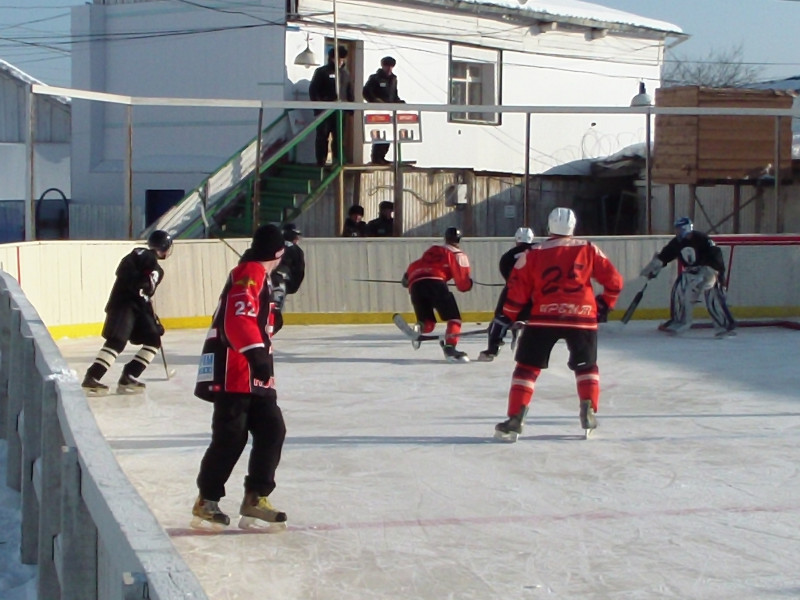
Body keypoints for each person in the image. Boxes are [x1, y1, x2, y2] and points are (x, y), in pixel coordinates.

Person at [493, 208, 623, 442]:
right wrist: (605, 303)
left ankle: (515, 417)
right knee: (586, 366)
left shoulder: (534, 252)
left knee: (526, 368)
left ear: (549, 227)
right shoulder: (588, 248)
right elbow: (615, 281)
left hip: (544, 316)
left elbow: (517, 287)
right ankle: (588, 409)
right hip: (582, 316)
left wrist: (509, 315)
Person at [192, 223, 288, 530]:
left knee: (272, 429)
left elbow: (254, 316)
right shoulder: (251, 271)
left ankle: (255, 497)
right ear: (279, 253)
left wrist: (272, 317)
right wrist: (255, 353)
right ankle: (207, 499)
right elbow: (238, 317)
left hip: (255, 375)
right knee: (231, 437)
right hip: (235, 370)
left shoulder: (262, 277)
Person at [81, 230, 173, 396]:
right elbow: (125, 273)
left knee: (153, 339)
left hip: (138, 308)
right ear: (165, 247)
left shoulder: (157, 270)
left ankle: (129, 375)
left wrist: (153, 320)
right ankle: (92, 377)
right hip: (123, 304)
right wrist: (137, 281)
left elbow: (145, 296)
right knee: (117, 341)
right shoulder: (143, 255)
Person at [640, 216, 736, 336]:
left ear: (686, 228)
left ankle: (724, 325)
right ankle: (679, 321)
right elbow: (666, 255)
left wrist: (717, 272)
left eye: (679, 229)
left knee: (714, 298)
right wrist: (655, 266)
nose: (676, 232)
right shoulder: (677, 242)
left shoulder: (702, 239)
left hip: (709, 271)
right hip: (691, 272)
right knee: (680, 291)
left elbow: (716, 254)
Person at [402, 227, 474, 363]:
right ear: (459, 240)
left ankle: (420, 327)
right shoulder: (457, 254)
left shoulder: (429, 254)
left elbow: (406, 279)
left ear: (445, 238)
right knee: (454, 319)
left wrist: (410, 277)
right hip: (436, 284)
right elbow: (462, 285)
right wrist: (469, 284)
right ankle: (450, 348)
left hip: (416, 286)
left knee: (428, 324)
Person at [477, 227, 537, 362]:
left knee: (500, 316)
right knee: (537, 315)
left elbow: (507, 276)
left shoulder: (508, 256)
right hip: (536, 291)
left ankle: (492, 349)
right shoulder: (540, 251)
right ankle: (529, 337)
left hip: (515, 290)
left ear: (516, 239)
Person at [308, 46, 354, 167]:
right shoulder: (322, 72)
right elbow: (313, 90)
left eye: (342, 59)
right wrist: (319, 108)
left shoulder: (345, 74)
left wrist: (351, 108)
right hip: (325, 111)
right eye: (338, 58)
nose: (340, 61)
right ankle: (321, 161)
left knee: (339, 137)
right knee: (322, 136)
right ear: (332, 58)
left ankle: (338, 160)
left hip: (340, 111)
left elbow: (349, 91)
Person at [362, 56, 404, 165]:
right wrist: (375, 101)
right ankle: (376, 157)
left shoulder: (393, 79)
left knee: (388, 134)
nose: (389, 68)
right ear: (382, 66)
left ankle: (382, 156)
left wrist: (398, 102)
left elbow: (394, 94)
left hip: (389, 111)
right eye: (387, 66)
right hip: (378, 112)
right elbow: (366, 92)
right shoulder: (375, 78)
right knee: (379, 134)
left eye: (391, 66)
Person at [270, 223, 306, 334]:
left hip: (264, 279)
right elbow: (299, 271)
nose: (298, 238)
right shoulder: (296, 250)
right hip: (281, 283)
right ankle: (266, 333)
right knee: (274, 310)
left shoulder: (272, 245)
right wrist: (292, 286)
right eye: (296, 236)